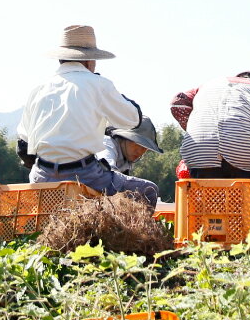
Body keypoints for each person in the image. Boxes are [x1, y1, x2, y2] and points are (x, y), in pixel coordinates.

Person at [17, 24, 159, 209]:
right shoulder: (98, 84)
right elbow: (133, 119)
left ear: (61, 58)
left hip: (41, 175)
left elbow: (24, 142)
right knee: (148, 190)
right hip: (84, 174)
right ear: (90, 60)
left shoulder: (38, 89)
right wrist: (108, 91)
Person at [172, 71, 250, 186]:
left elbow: (177, 103)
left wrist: (197, 129)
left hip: (199, 154)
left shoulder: (208, 85)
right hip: (243, 156)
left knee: (205, 199)